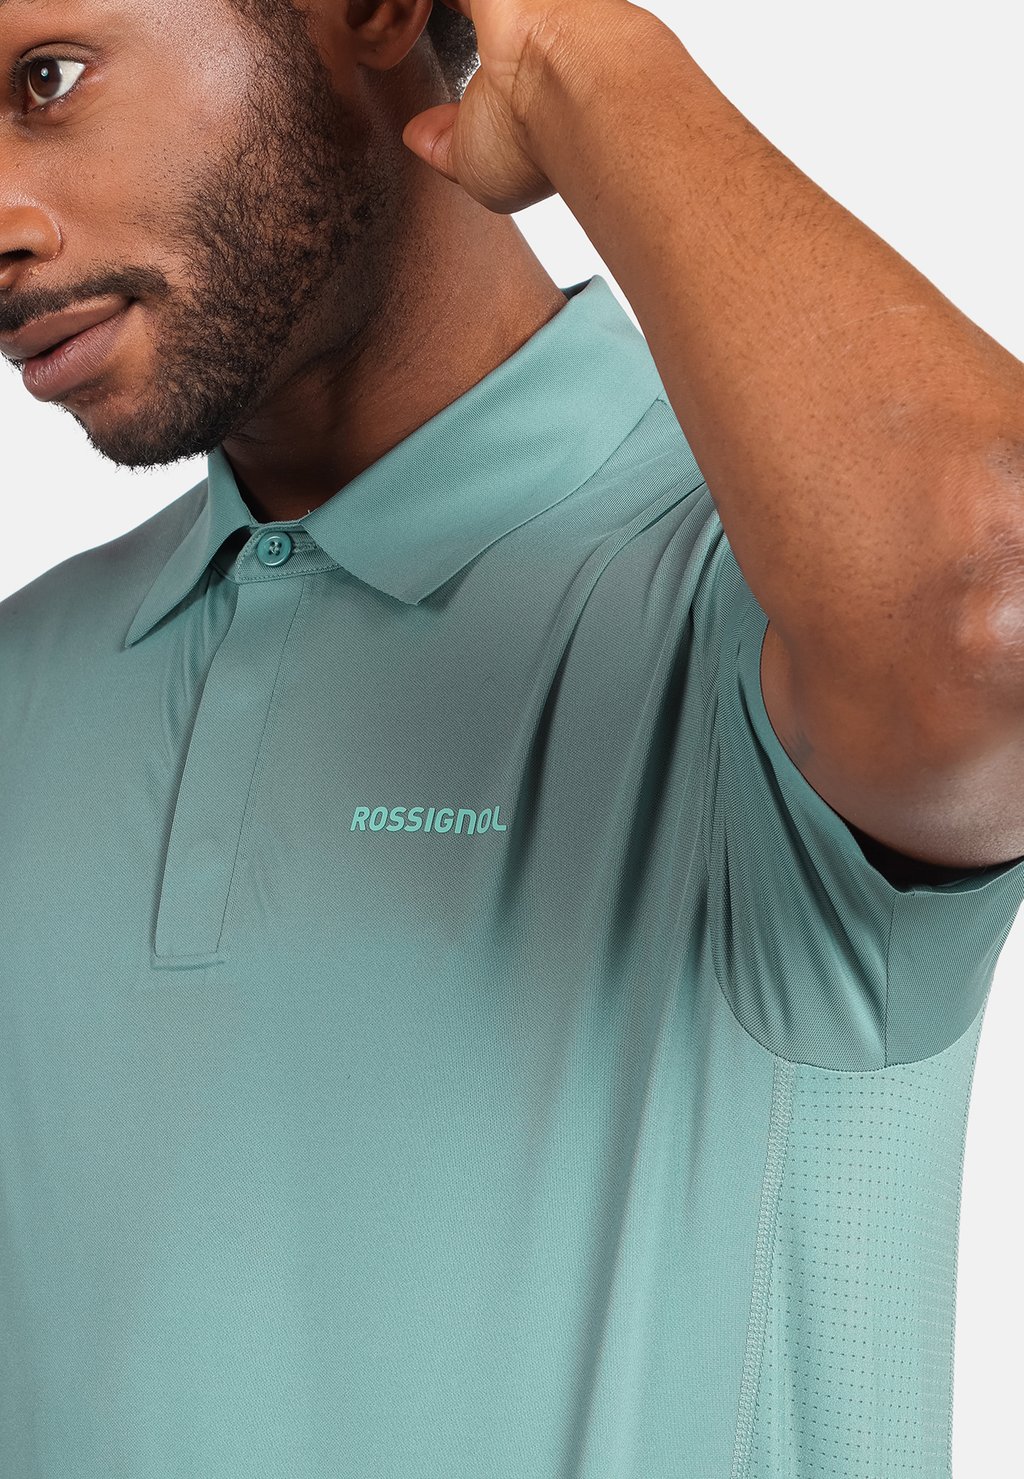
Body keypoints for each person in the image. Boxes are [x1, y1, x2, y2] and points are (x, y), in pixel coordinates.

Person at [1, 0, 1022, 1474]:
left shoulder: (762, 603)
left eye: (45, 79)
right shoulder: (27, 675)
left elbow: (990, 608)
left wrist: (585, 56)